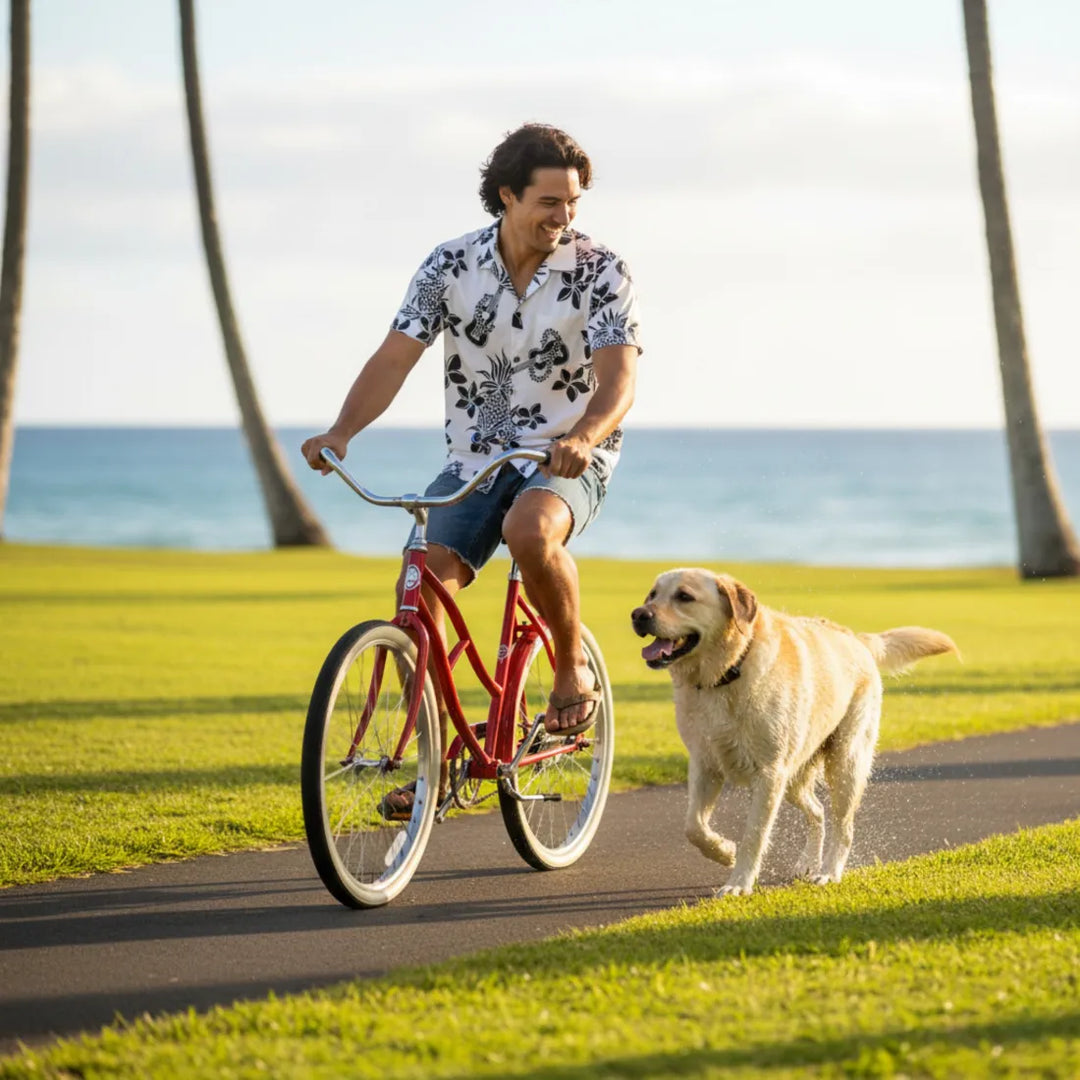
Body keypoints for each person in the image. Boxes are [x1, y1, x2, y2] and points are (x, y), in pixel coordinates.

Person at [302, 123, 642, 810]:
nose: (564, 216)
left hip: (570, 452)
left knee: (530, 530)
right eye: (549, 201)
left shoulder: (602, 268)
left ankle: (571, 669)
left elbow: (618, 379)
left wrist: (584, 435)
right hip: (475, 459)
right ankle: (434, 756)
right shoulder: (449, 265)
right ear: (507, 195)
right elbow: (395, 356)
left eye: (572, 202)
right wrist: (342, 431)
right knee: (418, 582)